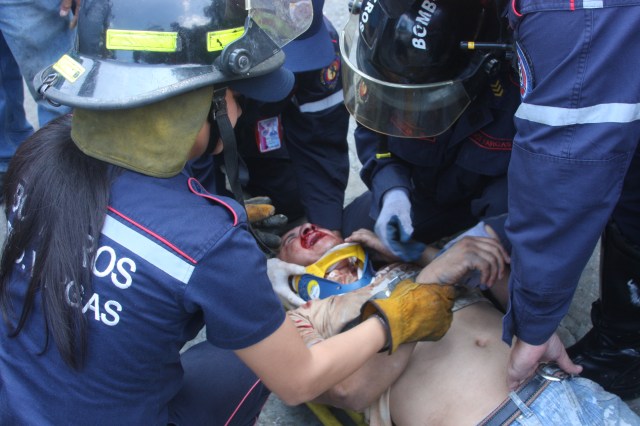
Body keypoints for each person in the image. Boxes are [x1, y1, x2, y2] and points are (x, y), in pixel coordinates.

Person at [0, 1, 455, 423]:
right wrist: (393, 319)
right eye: (236, 96)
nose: (240, 112)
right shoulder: (207, 239)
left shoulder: (39, 154)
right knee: (258, 361)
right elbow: (301, 381)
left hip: (14, 401)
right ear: (189, 105)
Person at [278, 223, 640, 425]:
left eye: (310, 224)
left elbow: (517, 297)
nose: (304, 227)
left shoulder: (407, 265)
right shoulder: (306, 316)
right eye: (287, 239)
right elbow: (347, 392)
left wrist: (419, 253)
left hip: (570, 393)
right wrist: (430, 281)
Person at [502, 0, 640, 398]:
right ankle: (627, 338)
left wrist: (534, 327)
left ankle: (627, 347)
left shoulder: (571, 13)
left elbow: (564, 170)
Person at [340, 0, 520, 262]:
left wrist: (497, 233)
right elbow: (373, 135)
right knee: (357, 236)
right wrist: (391, 190)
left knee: (502, 280)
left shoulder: (520, 85)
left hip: (498, 205)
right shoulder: (381, 56)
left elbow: (548, 182)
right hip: (421, 190)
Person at [193, 0, 350, 242]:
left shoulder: (318, 45)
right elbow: (188, 150)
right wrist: (214, 230)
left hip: (264, 129)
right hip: (209, 115)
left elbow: (321, 139)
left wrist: (327, 230)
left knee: (289, 200)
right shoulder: (198, 35)